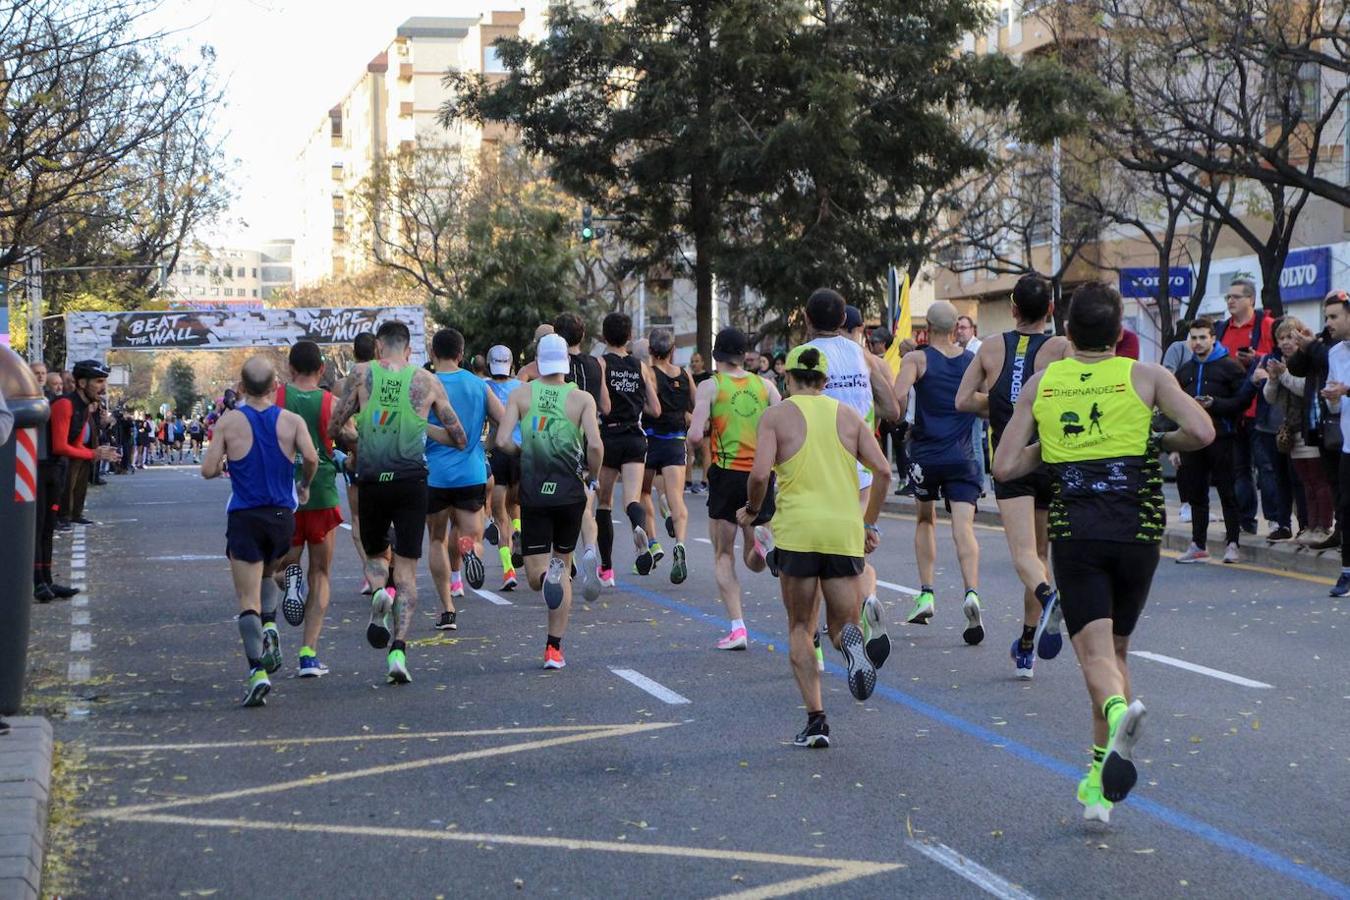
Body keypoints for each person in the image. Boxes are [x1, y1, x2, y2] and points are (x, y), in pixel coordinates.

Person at [994, 281, 1214, 824]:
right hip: (1138, 532)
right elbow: (1203, 431)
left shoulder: (1045, 384)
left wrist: (1050, 446)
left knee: (1096, 659)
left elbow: (1004, 467)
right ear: (1120, 334)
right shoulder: (1147, 376)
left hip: (1080, 531)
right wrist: (1156, 442)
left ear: (1067, 332)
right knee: (1116, 653)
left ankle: (1117, 715)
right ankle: (1098, 781)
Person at [743, 345, 892, 747]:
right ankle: (851, 645)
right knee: (841, 626)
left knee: (800, 627)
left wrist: (753, 510)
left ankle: (817, 720)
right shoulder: (849, 416)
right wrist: (869, 522)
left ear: (787, 379)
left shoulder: (776, 416)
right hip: (843, 532)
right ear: (825, 382)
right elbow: (883, 470)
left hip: (798, 533)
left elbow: (759, 476)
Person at [329, 320, 467, 685]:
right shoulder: (426, 382)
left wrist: (360, 442)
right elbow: (459, 438)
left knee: (377, 558)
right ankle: (398, 651)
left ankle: (378, 593)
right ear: (409, 351)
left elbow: (334, 429)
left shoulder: (359, 375)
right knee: (406, 572)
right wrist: (422, 426)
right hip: (411, 483)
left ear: (378, 347)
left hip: (372, 481)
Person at [956, 273, 1071, 678]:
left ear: (1013, 310)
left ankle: (1048, 600)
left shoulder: (989, 346)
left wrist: (1003, 404)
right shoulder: (1061, 347)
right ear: (1051, 310)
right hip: (1050, 457)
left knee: (1025, 556)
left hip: (1009, 459)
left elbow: (963, 400)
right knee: (1042, 555)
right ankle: (1026, 645)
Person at [201, 356, 319, 706]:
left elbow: (208, 470)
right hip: (283, 517)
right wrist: (305, 485)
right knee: (269, 573)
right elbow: (312, 457)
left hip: (246, 516)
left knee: (246, 598)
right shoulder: (291, 420)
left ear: (241, 387)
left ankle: (257, 672)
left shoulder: (229, 421)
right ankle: (270, 624)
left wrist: (227, 458)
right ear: (274, 387)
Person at [496, 334, 603, 668]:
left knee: (534, 576)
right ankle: (554, 649)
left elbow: (501, 440)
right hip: (571, 492)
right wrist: (593, 475)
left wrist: (522, 452)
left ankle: (547, 580)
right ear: (566, 364)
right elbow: (596, 446)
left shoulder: (521, 394)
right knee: (563, 561)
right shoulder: (582, 398)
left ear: (538, 361)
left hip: (534, 493)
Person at [805, 291, 900, 668]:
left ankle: (812, 644)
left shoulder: (806, 356)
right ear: (844, 317)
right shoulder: (865, 357)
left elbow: (792, 408)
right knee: (855, 550)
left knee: (811, 558)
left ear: (808, 320)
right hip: (859, 464)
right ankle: (869, 600)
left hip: (818, 467)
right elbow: (893, 409)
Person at [893, 301, 983, 641]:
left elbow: (898, 398)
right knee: (964, 527)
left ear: (926, 328)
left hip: (926, 456)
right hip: (962, 456)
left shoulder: (916, 359)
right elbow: (984, 400)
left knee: (925, 520)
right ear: (955, 328)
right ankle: (971, 592)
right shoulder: (971, 361)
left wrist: (896, 416)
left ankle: (927, 593)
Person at [689, 327, 781, 650]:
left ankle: (738, 628)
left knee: (723, 554)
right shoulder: (766, 386)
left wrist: (694, 435)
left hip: (727, 474)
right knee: (753, 553)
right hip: (761, 473)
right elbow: (783, 426)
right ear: (745, 355)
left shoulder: (710, 386)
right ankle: (763, 549)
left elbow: (696, 436)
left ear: (716, 355)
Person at [270, 342, 343, 677]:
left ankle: (290, 584)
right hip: (321, 492)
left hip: (283, 493)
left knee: (278, 569)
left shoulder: (277, 398)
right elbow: (350, 434)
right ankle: (308, 655)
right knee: (322, 573)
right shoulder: (330, 402)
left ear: (289, 368)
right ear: (322, 370)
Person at [426, 328, 503, 630]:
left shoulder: (425, 384)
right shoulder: (478, 384)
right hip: (472, 471)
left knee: (436, 539)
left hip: (434, 473)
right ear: (461, 353)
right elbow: (502, 418)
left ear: (433, 354)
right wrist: (487, 445)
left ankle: (447, 607)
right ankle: (470, 551)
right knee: (473, 535)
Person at [1172, 319, 1250, 564]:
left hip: (1223, 437)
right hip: (1192, 440)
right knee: (1196, 493)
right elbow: (1174, 408)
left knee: (1228, 491)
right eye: (1193, 338)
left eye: (1202, 337)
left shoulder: (1230, 367)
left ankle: (1233, 543)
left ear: (1213, 338)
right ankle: (1198, 544)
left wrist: (1215, 404)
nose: (1197, 343)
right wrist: (1175, 442)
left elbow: (1243, 402)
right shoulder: (1184, 371)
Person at [595, 311, 661, 582]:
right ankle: (639, 528)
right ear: (630, 337)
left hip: (610, 436)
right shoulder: (640, 365)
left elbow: (603, 402)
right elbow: (655, 409)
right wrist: (636, 404)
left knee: (604, 503)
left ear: (603, 335)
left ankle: (607, 569)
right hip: (635, 436)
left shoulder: (600, 363)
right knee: (633, 499)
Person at [1261, 317, 1332, 544]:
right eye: (1281, 338)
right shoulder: (1282, 363)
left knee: (1318, 479)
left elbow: (1307, 389)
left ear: (1301, 336)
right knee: (1304, 481)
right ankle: (1309, 526)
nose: (1285, 343)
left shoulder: (1311, 360)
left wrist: (1283, 374)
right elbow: (1270, 397)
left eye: (1290, 337)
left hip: (1311, 428)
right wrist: (1273, 379)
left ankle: (1323, 526)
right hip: (1291, 431)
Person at [555, 311, 609, 600]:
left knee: (558, 502)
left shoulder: (554, 367)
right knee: (587, 504)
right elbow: (606, 405)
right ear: (583, 336)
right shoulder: (595, 364)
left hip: (563, 439)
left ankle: (569, 559)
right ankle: (589, 549)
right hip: (591, 437)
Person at [1215, 278, 1276, 534]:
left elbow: (1284, 356)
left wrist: (1257, 359)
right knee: (1239, 469)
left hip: (1261, 408)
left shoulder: (1267, 325)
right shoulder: (1221, 330)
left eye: (1236, 297)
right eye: (1228, 297)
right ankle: (1245, 521)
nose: (1230, 301)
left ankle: (1275, 520)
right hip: (1233, 409)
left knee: (1267, 468)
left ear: (1251, 300)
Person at [642, 328, 693, 584]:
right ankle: (680, 544)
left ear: (651, 351)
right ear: (672, 350)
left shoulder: (649, 373)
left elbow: (646, 404)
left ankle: (653, 543)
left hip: (651, 440)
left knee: (641, 494)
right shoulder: (685, 375)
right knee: (677, 500)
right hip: (675, 442)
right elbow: (693, 404)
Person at [49, 360, 120, 527]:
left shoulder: (84, 407)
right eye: (98, 381)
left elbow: (77, 443)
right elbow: (59, 446)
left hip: (61, 459)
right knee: (70, 464)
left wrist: (98, 452)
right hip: (49, 463)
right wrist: (93, 453)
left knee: (82, 462)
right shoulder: (65, 404)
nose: (103, 388)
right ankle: (61, 515)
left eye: (104, 382)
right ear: (82, 383)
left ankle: (74, 513)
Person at [28, 362, 77, 603]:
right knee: (36, 528)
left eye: (42, 374)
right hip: (35, 467)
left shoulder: (55, 402)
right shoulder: (23, 399)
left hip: (56, 468)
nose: (40, 377)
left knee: (49, 526)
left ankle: (47, 579)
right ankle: (37, 581)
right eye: (36, 374)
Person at [484, 344, 523, 590]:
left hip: (498, 452)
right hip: (520, 452)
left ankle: (508, 569)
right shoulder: (521, 387)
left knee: (499, 515)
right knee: (516, 505)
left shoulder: (485, 387)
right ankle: (519, 532)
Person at [1320, 291, 1350, 597]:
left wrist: (1347, 390)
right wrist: (1331, 398)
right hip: (1348, 445)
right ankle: (1347, 571)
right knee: (1346, 507)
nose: (1328, 323)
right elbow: (1336, 402)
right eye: (1327, 317)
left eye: (1334, 316)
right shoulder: (1335, 353)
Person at [342, 332, 377, 593]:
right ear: (378, 351)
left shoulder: (345, 384)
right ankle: (389, 569)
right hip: (390, 457)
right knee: (388, 517)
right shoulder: (391, 380)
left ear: (354, 353)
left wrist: (354, 450)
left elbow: (338, 424)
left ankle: (370, 571)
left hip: (358, 459)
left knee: (358, 519)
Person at [687, 351, 712, 494]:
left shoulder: (708, 378)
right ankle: (688, 480)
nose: (695, 364)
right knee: (688, 448)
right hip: (690, 415)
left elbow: (711, 399)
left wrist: (708, 418)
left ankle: (705, 480)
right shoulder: (687, 377)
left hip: (705, 416)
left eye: (697, 361)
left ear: (702, 362)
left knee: (705, 448)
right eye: (693, 361)